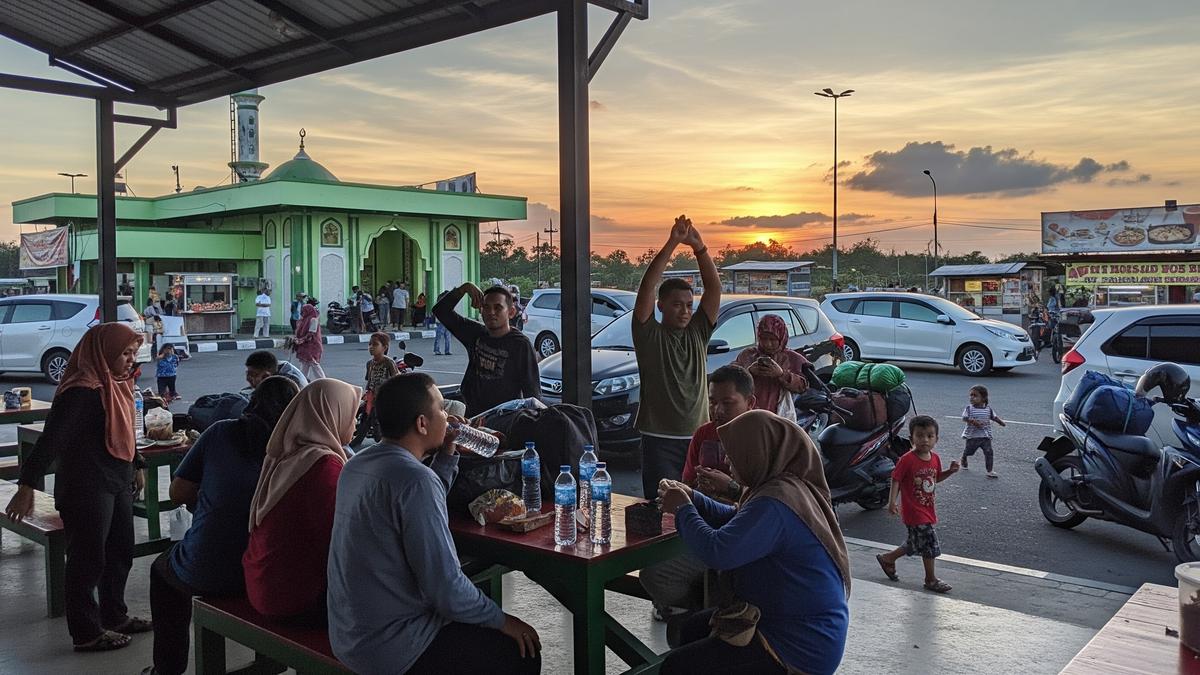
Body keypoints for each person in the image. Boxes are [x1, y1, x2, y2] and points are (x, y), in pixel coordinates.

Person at [328, 373, 542, 674]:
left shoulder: (358, 465)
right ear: (421, 424)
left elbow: (421, 494)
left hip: (350, 636)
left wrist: (448, 452)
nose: (450, 417)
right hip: (395, 647)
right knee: (522, 650)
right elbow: (447, 590)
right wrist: (504, 620)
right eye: (442, 409)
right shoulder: (415, 481)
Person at [657, 410, 850, 675]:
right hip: (791, 623)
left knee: (676, 667)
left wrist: (683, 511)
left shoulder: (776, 503)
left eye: (733, 453)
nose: (727, 459)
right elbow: (735, 518)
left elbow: (719, 551)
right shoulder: (783, 488)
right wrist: (693, 498)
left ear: (758, 452)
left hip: (799, 644)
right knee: (693, 629)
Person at [5, 323, 151, 652]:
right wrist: (27, 483)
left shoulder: (117, 384)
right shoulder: (82, 389)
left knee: (120, 552)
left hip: (116, 478)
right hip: (86, 485)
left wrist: (136, 464)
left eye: (132, 353)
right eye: (124, 353)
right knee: (88, 558)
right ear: (104, 352)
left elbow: (124, 428)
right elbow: (52, 440)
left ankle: (114, 615)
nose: (130, 360)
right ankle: (86, 632)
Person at [143, 377, 299, 675]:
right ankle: (271, 662)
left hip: (213, 570)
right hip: (272, 571)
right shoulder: (302, 448)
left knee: (162, 573)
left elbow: (178, 493)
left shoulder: (221, 432)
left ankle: (167, 669)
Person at [642, 365, 756, 620]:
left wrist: (731, 487)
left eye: (728, 403)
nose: (718, 411)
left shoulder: (762, 438)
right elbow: (688, 484)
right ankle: (699, 610)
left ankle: (703, 612)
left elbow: (762, 502)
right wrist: (683, 491)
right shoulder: (704, 434)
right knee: (652, 567)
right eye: (713, 402)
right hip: (704, 521)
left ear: (750, 402)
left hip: (738, 532)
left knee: (657, 575)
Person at [243, 379, 361, 619]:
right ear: (332, 413)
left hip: (261, 583)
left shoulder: (290, 452)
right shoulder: (323, 465)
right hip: (293, 597)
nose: (355, 421)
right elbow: (340, 541)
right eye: (351, 413)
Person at [632, 215, 721, 498]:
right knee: (662, 509)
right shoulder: (649, 334)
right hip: (659, 440)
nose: (684, 311)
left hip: (697, 437)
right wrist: (673, 243)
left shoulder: (698, 332)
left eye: (688, 306)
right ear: (660, 306)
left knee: (700, 507)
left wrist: (700, 248)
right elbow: (647, 286)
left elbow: (714, 288)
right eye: (676, 305)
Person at [876, 415, 960, 593]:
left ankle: (888, 559)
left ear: (936, 438)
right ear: (911, 438)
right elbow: (896, 479)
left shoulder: (935, 458)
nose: (925, 440)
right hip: (914, 511)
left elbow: (935, 479)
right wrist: (892, 502)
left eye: (930, 436)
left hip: (927, 508)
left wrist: (950, 472)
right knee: (929, 543)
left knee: (915, 543)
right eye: (920, 435)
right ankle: (930, 579)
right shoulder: (907, 459)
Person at [431, 283, 539, 416]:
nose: (491, 312)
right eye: (486, 307)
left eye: (498, 307)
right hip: (467, 415)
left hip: (501, 417)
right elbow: (441, 311)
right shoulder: (476, 333)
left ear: (511, 312)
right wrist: (464, 288)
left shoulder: (521, 345)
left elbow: (532, 392)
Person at [733, 314, 809, 420]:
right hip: (748, 415)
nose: (768, 344)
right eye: (764, 339)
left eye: (773, 340)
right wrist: (748, 372)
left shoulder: (791, 358)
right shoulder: (747, 355)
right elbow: (730, 379)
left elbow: (803, 386)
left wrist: (782, 374)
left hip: (778, 417)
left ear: (781, 338)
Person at [351, 332, 400, 447]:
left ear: (384, 347)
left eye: (375, 344)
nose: (371, 347)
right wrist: (367, 394)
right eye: (369, 344)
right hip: (372, 396)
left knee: (375, 419)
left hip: (384, 397)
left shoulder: (389, 362)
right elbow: (369, 380)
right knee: (366, 417)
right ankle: (359, 439)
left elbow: (395, 380)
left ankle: (381, 443)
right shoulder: (370, 364)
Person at [961, 384, 1006, 477]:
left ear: (983, 398)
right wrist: (974, 422)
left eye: (975, 395)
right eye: (971, 395)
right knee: (969, 451)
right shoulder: (969, 408)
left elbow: (994, 417)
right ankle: (964, 458)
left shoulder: (988, 409)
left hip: (985, 436)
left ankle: (990, 471)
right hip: (972, 436)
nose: (972, 397)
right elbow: (964, 418)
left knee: (989, 452)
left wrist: (1000, 422)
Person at [292, 300, 326, 381]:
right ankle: (302, 381)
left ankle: (323, 380)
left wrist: (301, 340)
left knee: (313, 363)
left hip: (312, 345)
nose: (302, 312)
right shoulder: (302, 320)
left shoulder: (313, 320)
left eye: (304, 311)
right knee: (305, 363)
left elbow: (311, 334)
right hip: (305, 346)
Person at [244, 349, 308, 390]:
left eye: (253, 375)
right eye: (248, 373)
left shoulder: (285, 386)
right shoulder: (274, 368)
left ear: (266, 376)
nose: (248, 378)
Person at [433, 290, 452, 356]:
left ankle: (444, 350)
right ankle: (440, 350)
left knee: (445, 337)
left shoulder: (444, 302)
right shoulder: (443, 302)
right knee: (444, 337)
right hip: (442, 321)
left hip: (445, 321)